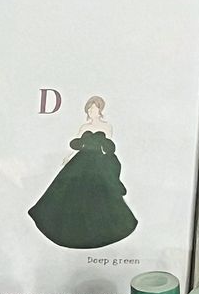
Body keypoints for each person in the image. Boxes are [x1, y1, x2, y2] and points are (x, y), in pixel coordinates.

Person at [27, 95, 137, 250]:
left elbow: (108, 147)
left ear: (100, 110)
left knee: (98, 196)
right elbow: (77, 145)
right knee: (70, 194)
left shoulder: (107, 127)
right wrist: (68, 157)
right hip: (80, 162)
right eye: (89, 109)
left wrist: (107, 165)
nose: (92, 111)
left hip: (97, 163)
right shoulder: (84, 127)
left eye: (94, 108)